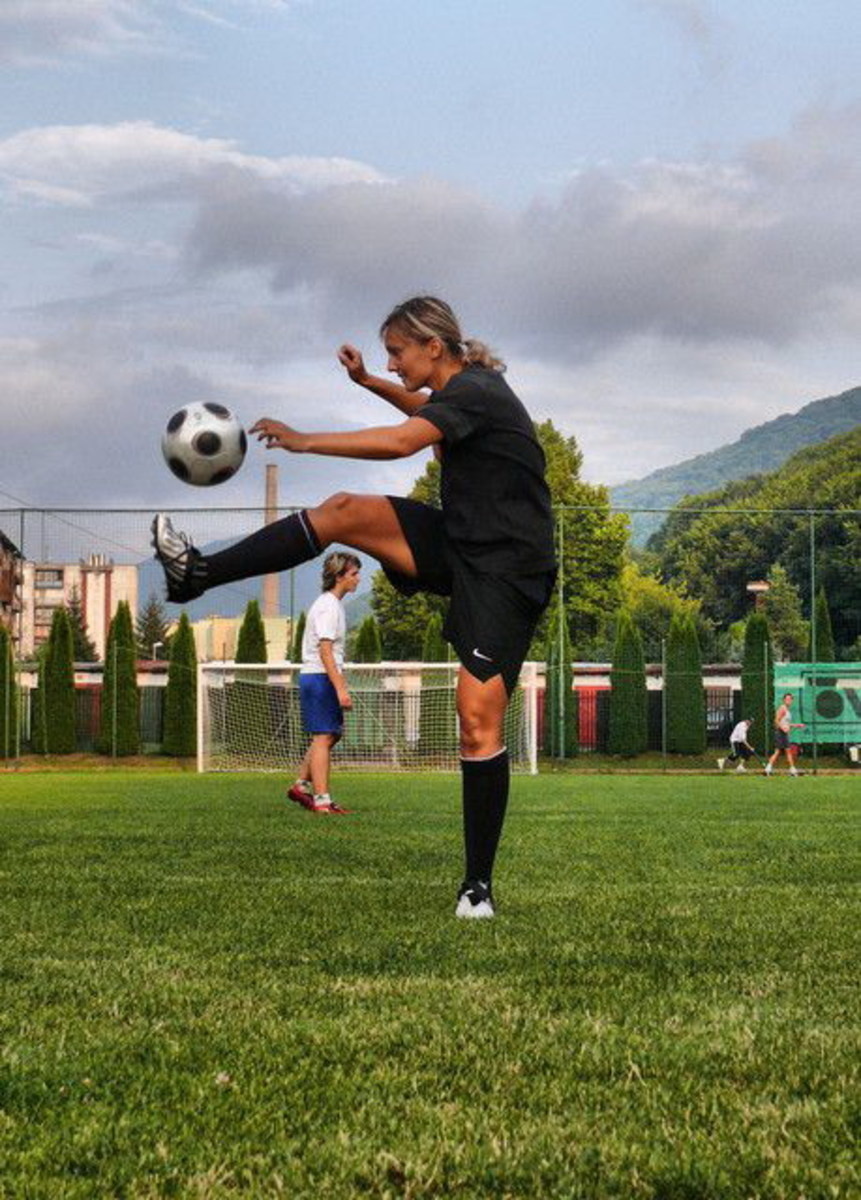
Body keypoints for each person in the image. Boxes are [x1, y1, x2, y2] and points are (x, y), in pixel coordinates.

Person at [152, 296, 557, 919]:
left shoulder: (479, 390)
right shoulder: (460, 393)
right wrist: (367, 380)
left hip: (508, 568)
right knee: (345, 510)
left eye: (397, 353)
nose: (393, 363)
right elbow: (422, 410)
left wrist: (305, 440)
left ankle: (477, 887)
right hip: (460, 543)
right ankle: (196, 574)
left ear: (433, 346)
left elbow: (402, 442)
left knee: (477, 720)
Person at [287, 552, 361, 815]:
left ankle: (300, 787)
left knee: (332, 734)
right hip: (319, 677)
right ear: (339, 576)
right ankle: (322, 801)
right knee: (323, 737)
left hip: (320, 677)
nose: (358, 579)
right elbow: (325, 651)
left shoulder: (333, 604)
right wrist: (340, 687)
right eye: (354, 574)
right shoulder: (328, 605)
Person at [765, 693, 805, 776]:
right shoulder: (782, 708)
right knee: (778, 751)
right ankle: (768, 768)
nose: (789, 701)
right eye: (787, 699)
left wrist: (797, 725)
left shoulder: (787, 710)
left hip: (784, 733)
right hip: (779, 732)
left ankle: (792, 770)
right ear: (784, 700)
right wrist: (783, 728)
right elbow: (776, 721)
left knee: (788, 751)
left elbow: (786, 723)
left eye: (790, 699)